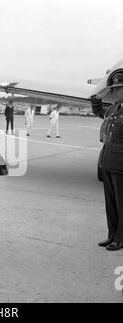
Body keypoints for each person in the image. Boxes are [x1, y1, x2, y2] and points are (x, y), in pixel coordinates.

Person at [91, 71, 123, 251]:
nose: (114, 93)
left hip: (121, 165)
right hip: (107, 161)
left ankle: (120, 238)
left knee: (121, 204)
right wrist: (97, 96)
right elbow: (98, 110)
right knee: (110, 203)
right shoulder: (113, 109)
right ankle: (112, 235)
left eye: (117, 89)